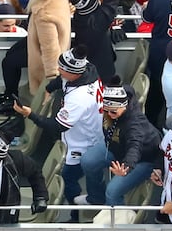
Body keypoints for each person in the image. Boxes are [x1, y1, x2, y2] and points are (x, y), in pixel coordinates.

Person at [12, 49, 105, 205]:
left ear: (73, 73)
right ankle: (95, 198)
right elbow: (61, 80)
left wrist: (30, 114)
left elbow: (56, 126)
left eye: (61, 69)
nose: (58, 70)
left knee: (68, 177)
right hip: (88, 131)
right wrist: (49, 88)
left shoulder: (79, 99)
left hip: (84, 143)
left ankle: (79, 210)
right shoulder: (86, 69)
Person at [93, 81, 165, 207]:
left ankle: (119, 222)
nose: (109, 115)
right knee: (88, 161)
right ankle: (95, 198)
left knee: (112, 191)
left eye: (113, 112)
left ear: (124, 107)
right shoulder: (122, 98)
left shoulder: (135, 125)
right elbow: (127, 89)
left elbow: (134, 147)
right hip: (116, 146)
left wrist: (126, 167)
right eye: (106, 111)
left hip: (143, 159)